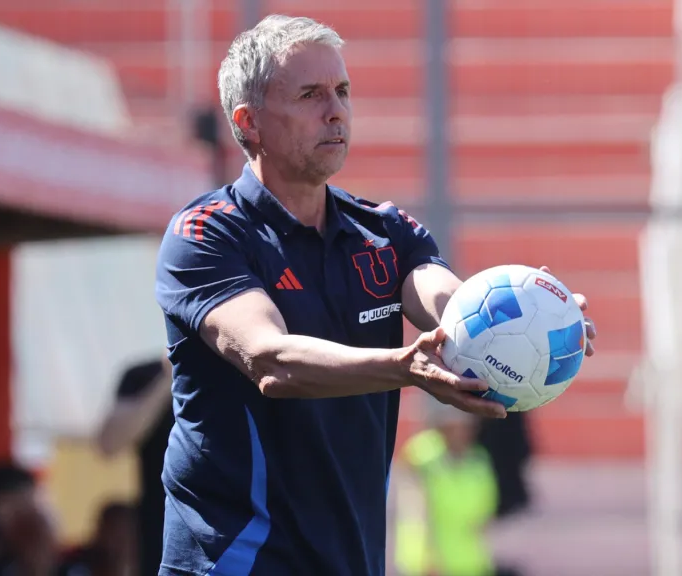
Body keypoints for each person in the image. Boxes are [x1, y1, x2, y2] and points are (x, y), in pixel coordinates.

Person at [154, 14, 597, 576]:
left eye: (342, 91)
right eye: (311, 94)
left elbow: (447, 302)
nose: (335, 109)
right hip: (236, 562)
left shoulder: (385, 231)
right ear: (250, 122)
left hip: (352, 561)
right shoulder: (207, 233)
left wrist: (534, 318)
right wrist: (404, 367)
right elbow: (270, 360)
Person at [394, 407, 514, 576]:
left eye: (467, 426)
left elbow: (485, 512)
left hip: (471, 562)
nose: (462, 432)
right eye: (456, 425)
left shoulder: (479, 459)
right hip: (428, 564)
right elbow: (415, 510)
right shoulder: (422, 454)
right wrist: (424, 557)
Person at [96, 357, 172, 576]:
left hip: (235, 524)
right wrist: (169, 379)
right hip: (162, 532)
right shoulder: (146, 375)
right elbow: (109, 443)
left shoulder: (249, 370)